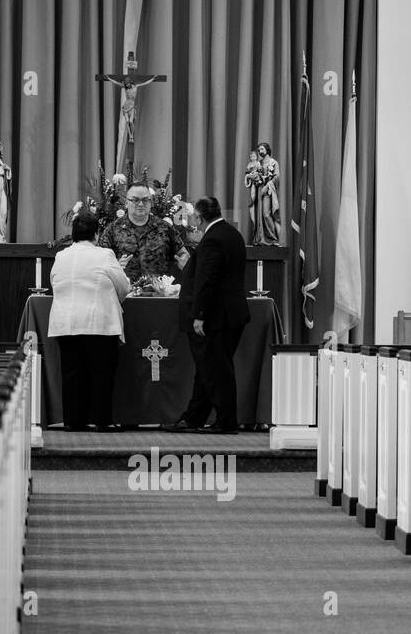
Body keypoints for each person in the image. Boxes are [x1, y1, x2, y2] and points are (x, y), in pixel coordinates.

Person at [48, 210, 131, 429]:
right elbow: (124, 287)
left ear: (73, 234)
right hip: (99, 323)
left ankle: (74, 422)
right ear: (96, 234)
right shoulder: (104, 255)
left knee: (72, 374)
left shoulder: (61, 256)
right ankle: (102, 420)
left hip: (66, 323)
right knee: (101, 374)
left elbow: (54, 283)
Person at [176, 196, 250, 433]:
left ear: (199, 216)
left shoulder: (212, 240)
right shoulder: (232, 234)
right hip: (230, 314)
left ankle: (226, 421)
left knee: (217, 371)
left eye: (193, 216)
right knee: (209, 368)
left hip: (215, 317)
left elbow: (207, 280)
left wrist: (199, 314)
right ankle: (193, 418)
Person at [99, 183, 190, 282]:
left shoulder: (165, 228)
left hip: (157, 292)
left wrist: (185, 260)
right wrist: (115, 266)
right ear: (126, 203)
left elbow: (183, 253)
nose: (141, 204)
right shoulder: (113, 229)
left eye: (145, 200)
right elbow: (100, 262)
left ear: (150, 202)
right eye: (135, 200)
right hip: (125, 292)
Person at [244, 140, 281, 245]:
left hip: (268, 191)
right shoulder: (257, 163)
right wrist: (250, 177)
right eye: (259, 149)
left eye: (262, 149)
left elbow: (277, 177)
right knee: (258, 216)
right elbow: (252, 174)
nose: (260, 151)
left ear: (267, 150)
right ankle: (260, 239)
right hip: (258, 190)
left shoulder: (273, 162)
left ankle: (272, 239)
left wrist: (268, 185)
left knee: (266, 214)